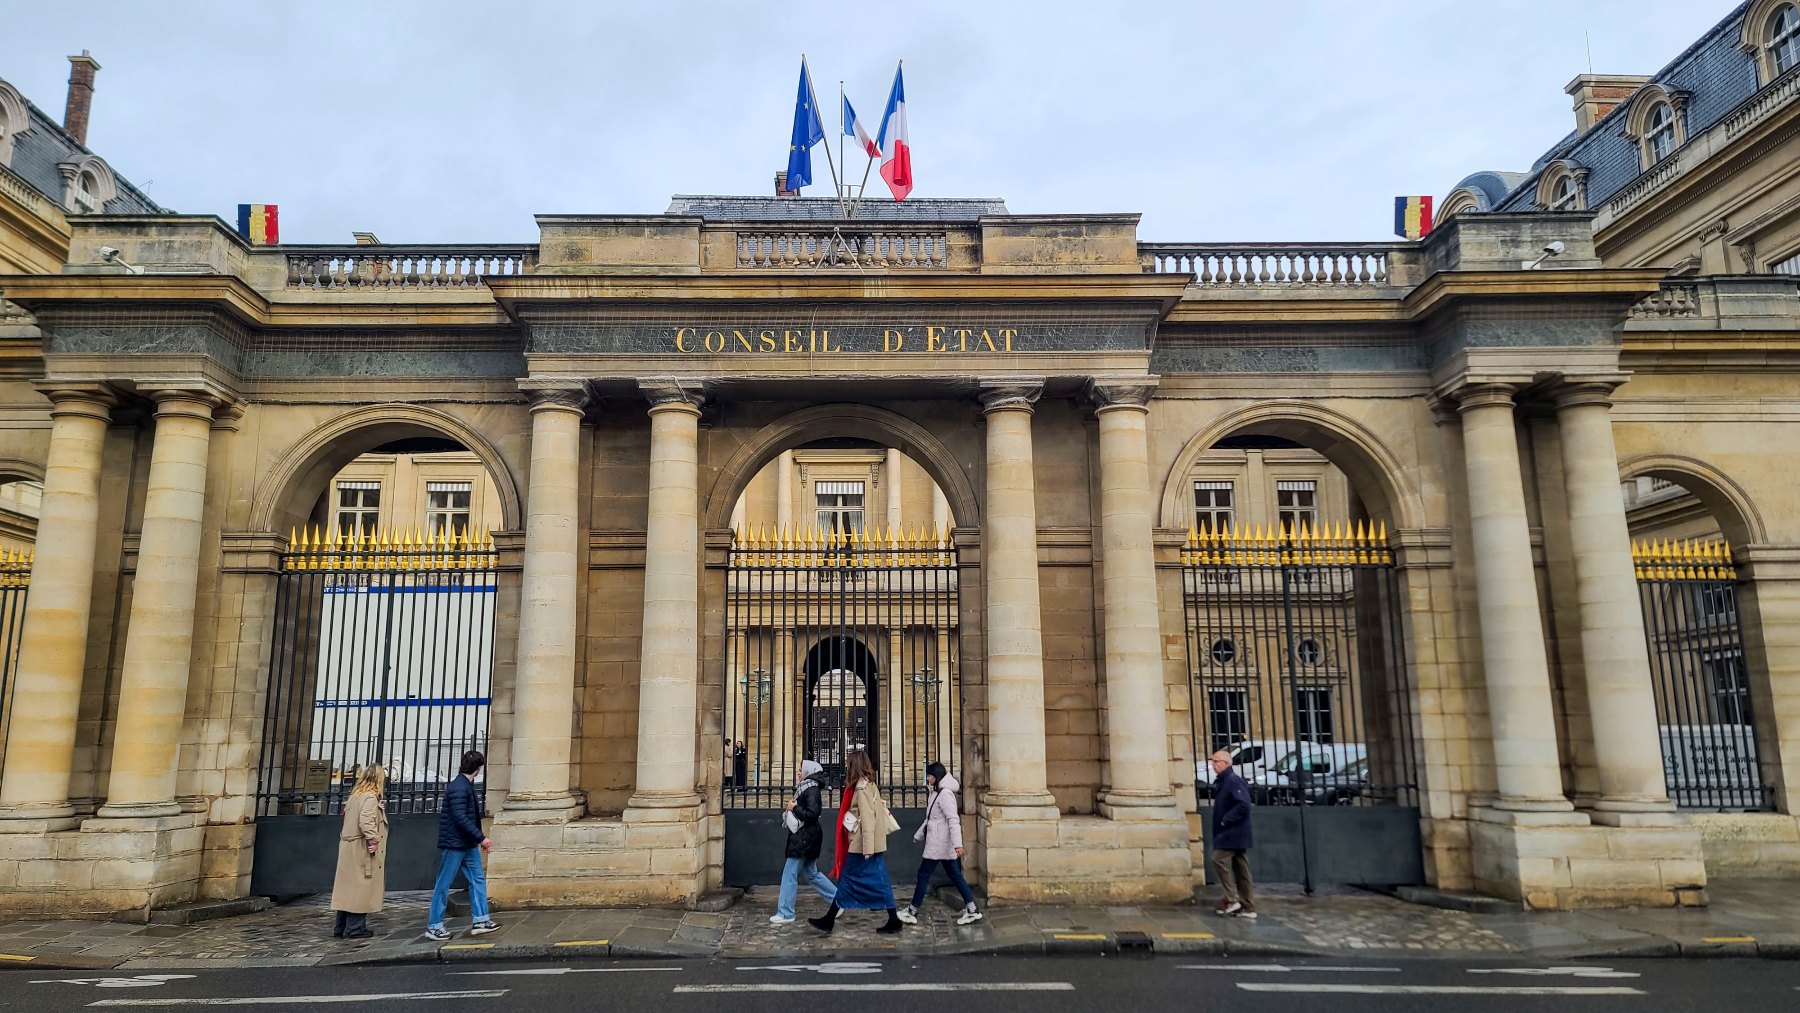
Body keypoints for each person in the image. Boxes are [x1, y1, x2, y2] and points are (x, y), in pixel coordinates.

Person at [808, 746, 902, 935]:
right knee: (875, 879)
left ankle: (830, 920)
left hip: (862, 846)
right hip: (868, 844)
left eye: (848, 764)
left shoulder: (861, 789)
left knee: (850, 879)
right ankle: (892, 919)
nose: (845, 767)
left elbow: (868, 819)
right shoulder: (869, 784)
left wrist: (867, 848)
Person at [898, 761, 981, 926]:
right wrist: (919, 835)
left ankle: (912, 911)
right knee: (955, 875)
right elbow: (931, 819)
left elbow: (953, 820)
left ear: (936, 777)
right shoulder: (936, 793)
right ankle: (972, 909)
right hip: (939, 842)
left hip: (939, 843)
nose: (927, 779)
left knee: (923, 874)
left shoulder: (945, 794)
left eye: (929, 775)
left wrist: (958, 844)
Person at [426, 749, 497, 941]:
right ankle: (434, 925)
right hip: (455, 844)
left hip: (465, 843)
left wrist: (476, 839)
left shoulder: (463, 785)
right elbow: (460, 818)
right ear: (478, 769)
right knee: (444, 883)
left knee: (478, 879)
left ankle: (481, 920)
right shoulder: (460, 787)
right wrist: (481, 838)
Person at [770, 759, 837, 924]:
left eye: (800, 769)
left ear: (808, 771)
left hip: (805, 836)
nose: (798, 772)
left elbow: (813, 814)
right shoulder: (806, 788)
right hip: (807, 836)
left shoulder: (811, 789)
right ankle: (838, 901)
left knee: (789, 874)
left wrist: (794, 808)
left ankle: (786, 912)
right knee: (811, 873)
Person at [329, 764, 389, 939]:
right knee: (361, 889)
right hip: (360, 847)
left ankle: (340, 927)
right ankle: (355, 928)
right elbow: (366, 822)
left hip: (348, 847)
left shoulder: (355, 796)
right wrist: (373, 839)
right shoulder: (370, 797)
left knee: (347, 889)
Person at [1209, 748, 1257, 919]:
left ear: (1227, 763)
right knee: (1241, 868)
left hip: (1233, 832)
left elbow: (1243, 804)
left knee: (1218, 859)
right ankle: (1248, 905)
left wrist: (1226, 819)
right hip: (1234, 832)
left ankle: (1232, 899)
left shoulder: (1232, 781)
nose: (1213, 765)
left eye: (1216, 762)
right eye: (1212, 761)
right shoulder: (1225, 780)